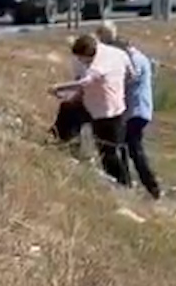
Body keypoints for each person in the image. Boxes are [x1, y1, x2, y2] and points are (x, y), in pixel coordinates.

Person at [53, 33, 131, 185]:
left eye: (82, 59)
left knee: (108, 152)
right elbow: (131, 73)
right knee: (68, 111)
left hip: (104, 111)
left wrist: (59, 88)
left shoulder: (97, 65)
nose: (82, 62)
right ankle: (64, 143)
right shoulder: (117, 53)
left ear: (88, 54)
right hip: (113, 106)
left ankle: (122, 184)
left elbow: (84, 82)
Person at [97, 22, 162, 199]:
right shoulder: (138, 58)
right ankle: (131, 182)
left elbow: (127, 80)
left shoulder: (135, 60)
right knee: (126, 146)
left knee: (133, 148)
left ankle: (149, 186)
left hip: (136, 111)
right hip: (135, 111)